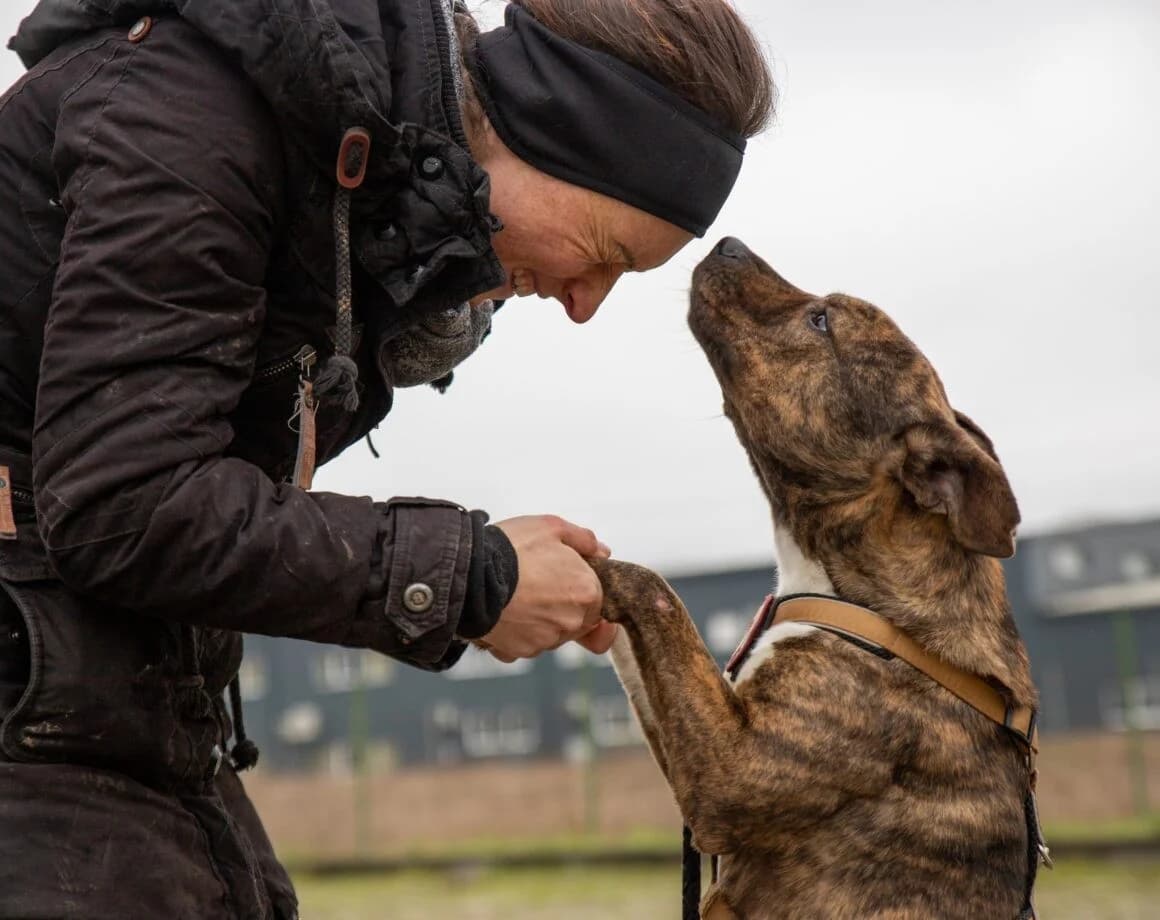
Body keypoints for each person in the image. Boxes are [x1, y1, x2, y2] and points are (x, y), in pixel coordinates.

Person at [0, 0, 774, 915]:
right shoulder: (189, 120)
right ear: (543, 139)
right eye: (604, 255)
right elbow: (129, 506)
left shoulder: (332, 193)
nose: (583, 304)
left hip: (117, 707)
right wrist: (472, 579)